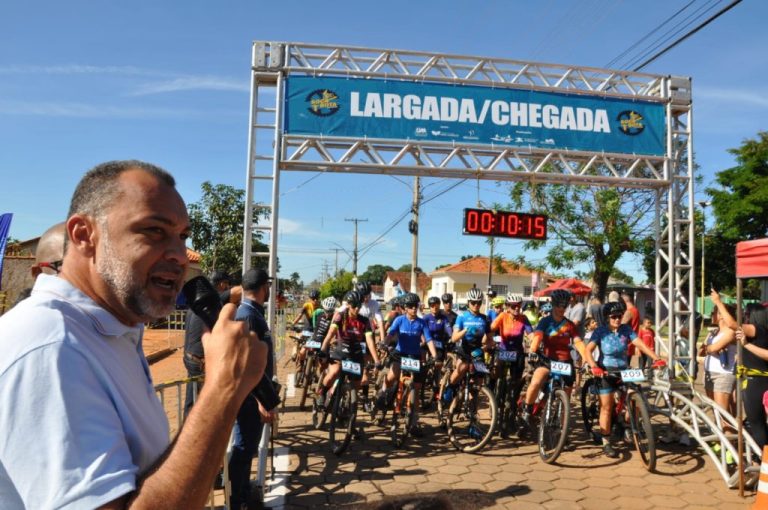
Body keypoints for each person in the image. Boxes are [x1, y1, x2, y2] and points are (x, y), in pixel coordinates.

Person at [0, 160, 267, 509]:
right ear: (84, 235)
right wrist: (223, 390)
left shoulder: (112, 328)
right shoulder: (51, 347)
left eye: (182, 235)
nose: (179, 255)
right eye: (154, 231)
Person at [584, 301, 665, 458]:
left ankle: (628, 425)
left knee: (635, 399)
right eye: (614, 316)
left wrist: (656, 358)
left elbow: (639, 344)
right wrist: (594, 366)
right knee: (606, 407)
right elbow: (588, 350)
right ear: (607, 318)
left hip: (624, 371)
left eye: (620, 316)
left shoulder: (626, 330)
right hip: (606, 372)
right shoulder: (600, 331)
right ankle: (606, 441)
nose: (617, 319)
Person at [229, 268, 279, 510]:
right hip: (250, 397)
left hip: (254, 395)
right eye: (268, 286)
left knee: (246, 447)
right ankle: (236, 500)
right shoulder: (248, 316)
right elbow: (248, 364)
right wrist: (262, 401)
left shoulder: (252, 313)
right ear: (262, 288)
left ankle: (241, 494)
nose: (269, 290)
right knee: (242, 447)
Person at [519, 290, 585, 428]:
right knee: (536, 381)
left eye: (564, 305)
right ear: (553, 304)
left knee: (565, 400)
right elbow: (537, 336)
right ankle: (527, 410)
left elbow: (578, 343)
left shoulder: (570, 325)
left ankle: (562, 429)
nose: (561, 308)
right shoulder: (545, 321)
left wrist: (588, 361)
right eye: (558, 305)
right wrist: (532, 350)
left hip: (565, 363)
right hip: (547, 360)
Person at [182, 270, 242, 419]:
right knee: (205, 402)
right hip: (200, 359)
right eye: (227, 284)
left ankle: (187, 423)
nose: (228, 287)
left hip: (190, 356)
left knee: (192, 397)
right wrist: (252, 284)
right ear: (221, 284)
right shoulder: (213, 299)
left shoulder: (198, 301)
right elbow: (237, 291)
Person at [377, 293, 439, 436]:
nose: (413, 309)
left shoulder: (421, 322)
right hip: (400, 354)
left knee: (416, 389)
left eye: (415, 306)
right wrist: (384, 344)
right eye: (410, 306)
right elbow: (390, 334)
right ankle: (384, 392)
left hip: (414, 356)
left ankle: (414, 421)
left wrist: (435, 356)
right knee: (393, 375)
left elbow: (429, 340)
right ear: (405, 308)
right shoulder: (399, 320)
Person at [714, 290, 768, 449]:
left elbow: (732, 324)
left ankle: (761, 461)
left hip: (755, 383)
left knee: (756, 422)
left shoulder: (756, 329)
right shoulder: (763, 332)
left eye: (747, 313)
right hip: (759, 380)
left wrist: (718, 302)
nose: (744, 316)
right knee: (760, 423)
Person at [316, 290, 382, 407]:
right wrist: (323, 350)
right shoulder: (340, 316)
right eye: (354, 306)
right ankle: (322, 393)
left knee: (357, 385)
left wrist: (376, 360)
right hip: (340, 351)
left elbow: (370, 342)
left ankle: (347, 406)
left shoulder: (365, 321)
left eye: (359, 305)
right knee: (334, 372)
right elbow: (330, 334)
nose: (357, 308)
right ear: (349, 305)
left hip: (355, 354)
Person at [442, 287, 493, 404]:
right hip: (464, 349)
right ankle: (450, 388)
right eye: (473, 302)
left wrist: (485, 347)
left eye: (479, 302)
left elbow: (490, 339)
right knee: (462, 368)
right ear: (468, 303)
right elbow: (454, 338)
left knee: (480, 380)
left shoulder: (484, 319)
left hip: (478, 351)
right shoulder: (462, 317)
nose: (476, 305)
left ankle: (472, 408)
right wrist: (464, 331)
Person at [490, 292, 532, 404]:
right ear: (508, 307)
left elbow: (530, 334)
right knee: (496, 373)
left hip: (517, 351)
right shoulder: (503, 316)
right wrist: (488, 339)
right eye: (514, 306)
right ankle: (492, 392)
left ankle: (513, 400)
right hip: (504, 349)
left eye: (519, 305)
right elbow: (492, 327)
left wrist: (535, 343)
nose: (517, 308)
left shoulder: (523, 318)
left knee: (516, 380)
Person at [698, 304, 736, 420]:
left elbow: (712, 348)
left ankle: (729, 437)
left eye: (714, 312)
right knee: (715, 411)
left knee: (722, 412)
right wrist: (710, 348)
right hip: (709, 373)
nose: (711, 315)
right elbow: (701, 351)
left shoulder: (730, 332)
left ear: (721, 315)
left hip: (723, 375)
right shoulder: (713, 332)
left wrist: (710, 348)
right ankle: (722, 436)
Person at [621, 291, 641, 365]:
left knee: (623, 366)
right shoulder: (636, 310)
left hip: (626, 343)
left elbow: (620, 326)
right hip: (631, 341)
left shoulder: (629, 312)